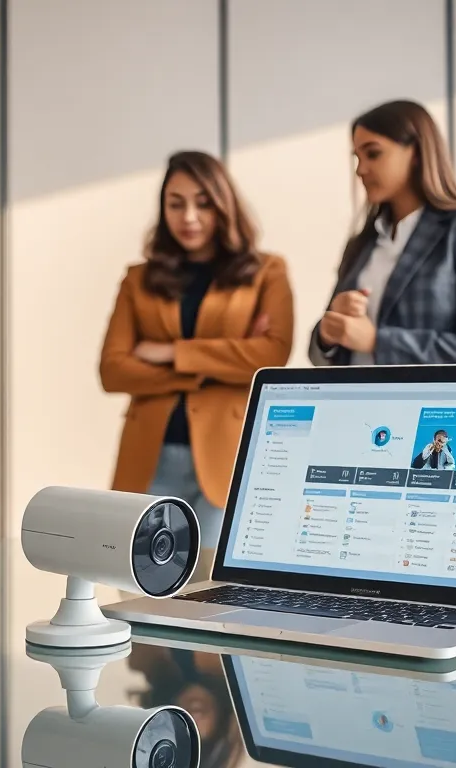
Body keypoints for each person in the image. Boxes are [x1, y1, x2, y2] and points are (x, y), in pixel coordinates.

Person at [100, 151, 294, 549]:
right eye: (176, 203)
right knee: (138, 586)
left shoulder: (265, 272)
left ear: (224, 204)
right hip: (149, 458)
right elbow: (113, 370)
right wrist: (224, 362)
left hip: (226, 457)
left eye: (203, 202)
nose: (188, 216)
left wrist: (172, 353)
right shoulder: (138, 279)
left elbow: (271, 356)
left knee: (212, 591)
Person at [310, 100, 456, 366]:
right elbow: (318, 356)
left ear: (416, 153)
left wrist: (377, 342)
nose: (361, 169)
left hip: (429, 407)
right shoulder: (362, 243)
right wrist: (329, 331)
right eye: (357, 157)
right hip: (356, 404)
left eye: (373, 154)